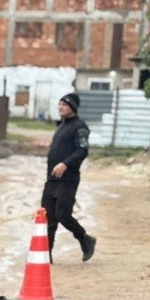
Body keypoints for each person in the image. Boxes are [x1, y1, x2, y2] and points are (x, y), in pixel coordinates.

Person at [42, 93, 97, 262]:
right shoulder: (62, 126)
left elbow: (82, 150)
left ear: (72, 107)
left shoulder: (80, 127)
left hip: (68, 180)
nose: (60, 107)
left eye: (64, 104)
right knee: (47, 218)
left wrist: (65, 164)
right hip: (52, 180)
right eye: (59, 104)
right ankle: (46, 255)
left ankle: (84, 239)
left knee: (62, 214)